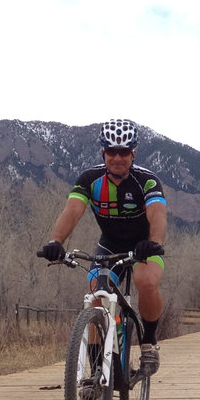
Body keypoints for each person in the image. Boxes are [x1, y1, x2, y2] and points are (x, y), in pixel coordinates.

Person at [39, 119, 167, 376]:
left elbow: (158, 215)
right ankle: (98, 373)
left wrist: (154, 243)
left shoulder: (147, 181)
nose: (117, 157)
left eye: (124, 151)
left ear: (134, 152)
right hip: (109, 245)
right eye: (111, 151)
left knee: (147, 282)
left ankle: (149, 343)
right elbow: (72, 211)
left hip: (144, 246)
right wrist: (56, 242)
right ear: (103, 152)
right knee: (97, 298)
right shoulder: (90, 179)